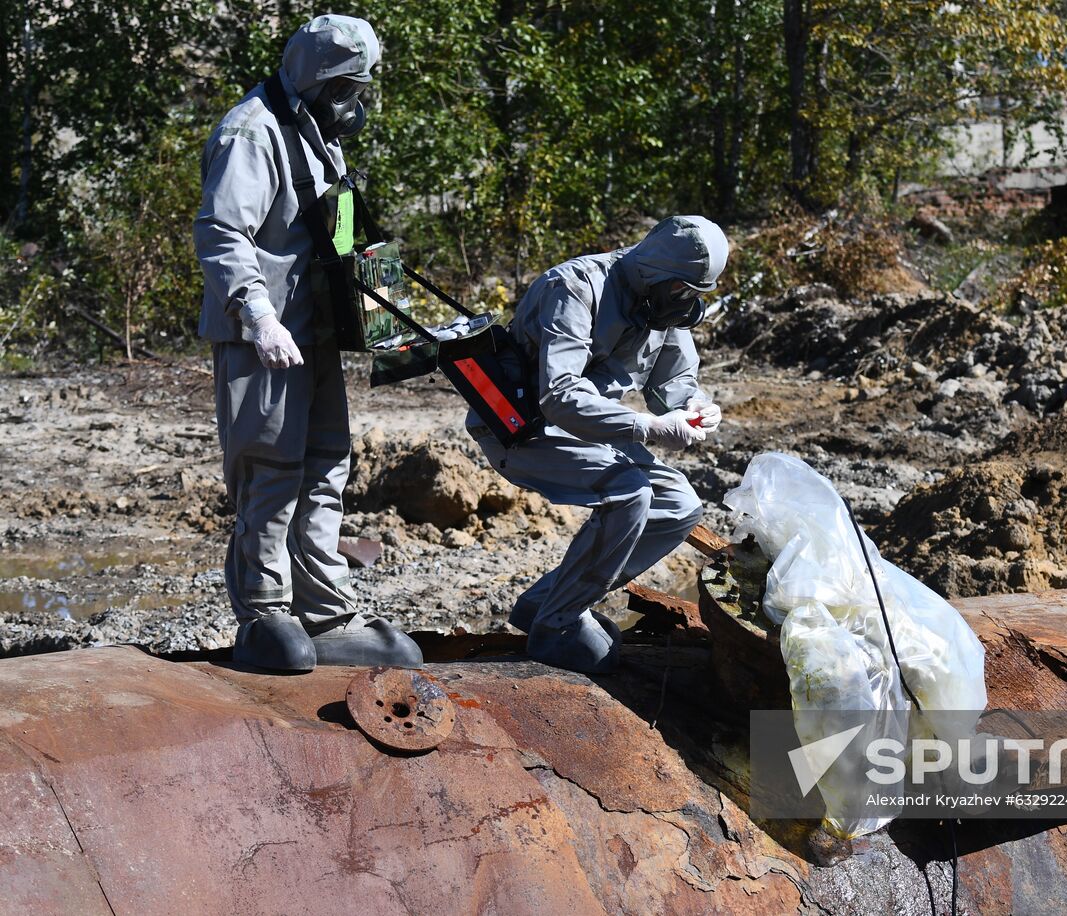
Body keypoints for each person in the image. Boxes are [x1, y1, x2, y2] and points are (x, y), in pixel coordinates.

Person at [193, 15, 422, 672]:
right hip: (264, 334)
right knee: (270, 469)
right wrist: (257, 315)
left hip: (314, 331)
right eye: (349, 84)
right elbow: (221, 232)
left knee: (326, 465)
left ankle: (324, 610)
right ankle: (265, 612)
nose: (357, 98)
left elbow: (342, 228)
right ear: (320, 77)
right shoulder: (252, 132)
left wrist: (393, 313)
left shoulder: (316, 130)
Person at [467, 216, 728, 674]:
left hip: (592, 427)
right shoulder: (575, 287)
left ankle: (548, 603)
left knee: (680, 506)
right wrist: (647, 428)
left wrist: (696, 407)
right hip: (522, 427)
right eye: (682, 290)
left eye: (695, 294)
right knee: (630, 490)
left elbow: (674, 383)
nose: (686, 304)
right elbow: (561, 396)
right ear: (656, 273)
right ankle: (558, 628)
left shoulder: (663, 307)